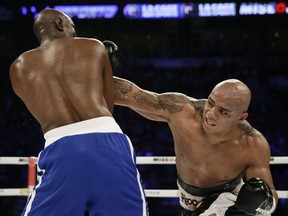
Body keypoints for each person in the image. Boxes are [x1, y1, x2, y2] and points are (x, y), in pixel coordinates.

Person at [107, 43, 279, 215]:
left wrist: (261, 202)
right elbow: (132, 96)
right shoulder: (181, 111)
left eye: (223, 111)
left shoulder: (252, 144)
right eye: (211, 102)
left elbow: (269, 196)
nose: (211, 114)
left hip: (228, 206)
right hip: (189, 207)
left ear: (241, 117)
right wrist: (97, 69)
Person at [9, 9, 148, 216]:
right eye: (72, 26)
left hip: (60, 145)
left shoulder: (18, 67)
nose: (75, 33)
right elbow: (107, 107)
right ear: (59, 23)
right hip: (107, 139)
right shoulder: (93, 46)